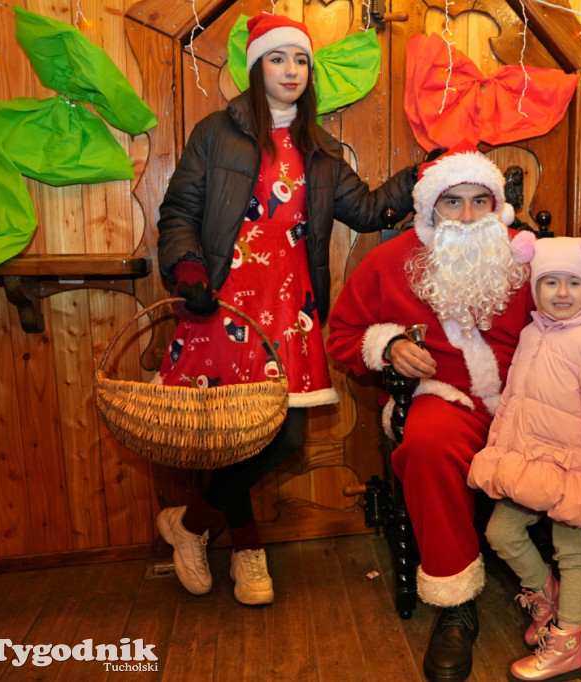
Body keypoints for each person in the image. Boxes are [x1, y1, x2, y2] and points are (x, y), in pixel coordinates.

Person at [326, 143, 581, 681]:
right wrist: (388, 345)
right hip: (448, 398)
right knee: (428, 444)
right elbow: (343, 335)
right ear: (429, 208)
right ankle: (456, 602)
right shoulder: (389, 262)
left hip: (540, 395)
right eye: (452, 203)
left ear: (498, 205)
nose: (467, 217)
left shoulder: (527, 252)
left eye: (480, 201)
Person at [153, 13, 417, 606]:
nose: (291, 70)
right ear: (256, 68)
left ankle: (190, 525)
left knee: (285, 436)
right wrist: (188, 267)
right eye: (278, 59)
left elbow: (372, 210)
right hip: (220, 307)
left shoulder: (319, 151)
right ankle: (247, 548)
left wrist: (422, 177)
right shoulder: (215, 134)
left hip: (288, 317)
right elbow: (178, 213)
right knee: (229, 438)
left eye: (300, 60)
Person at [466, 230, 581, 682]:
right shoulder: (533, 332)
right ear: (535, 287)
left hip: (573, 469)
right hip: (529, 462)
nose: (562, 293)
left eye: (572, 282)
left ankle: (567, 644)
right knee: (501, 532)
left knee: (572, 551)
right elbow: (513, 399)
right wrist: (498, 455)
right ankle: (547, 597)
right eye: (550, 283)